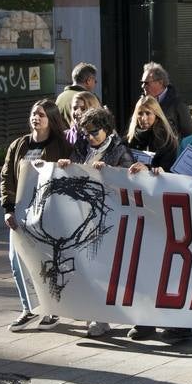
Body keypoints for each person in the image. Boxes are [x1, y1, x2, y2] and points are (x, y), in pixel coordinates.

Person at [2, 99, 72, 332]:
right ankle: (29, 309)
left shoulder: (61, 146)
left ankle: (51, 310)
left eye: (41, 114)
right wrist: (8, 209)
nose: (36, 118)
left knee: (47, 261)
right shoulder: (19, 145)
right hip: (20, 211)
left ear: (51, 119)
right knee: (16, 259)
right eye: (34, 113)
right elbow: (6, 179)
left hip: (47, 213)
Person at [68, 106, 132, 338]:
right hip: (84, 214)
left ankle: (102, 317)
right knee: (87, 267)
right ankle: (94, 313)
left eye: (95, 132)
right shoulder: (82, 147)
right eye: (86, 133)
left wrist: (110, 171)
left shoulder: (119, 150)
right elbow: (75, 168)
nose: (90, 137)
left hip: (108, 216)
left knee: (103, 268)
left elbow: (129, 180)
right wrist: (68, 166)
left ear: (106, 129)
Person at [124, 95, 178, 172]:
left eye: (148, 113)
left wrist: (148, 169)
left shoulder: (167, 140)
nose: (143, 118)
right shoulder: (129, 138)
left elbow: (167, 169)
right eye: (140, 113)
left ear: (156, 115)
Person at [140, 62, 192, 138]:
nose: (142, 86)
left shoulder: (178, 104)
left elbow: (190, 134)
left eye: (146, 83)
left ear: (160, 82)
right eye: (142, 82)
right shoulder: (142, 102)